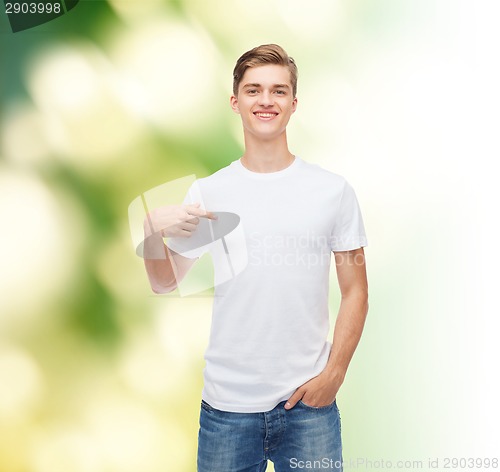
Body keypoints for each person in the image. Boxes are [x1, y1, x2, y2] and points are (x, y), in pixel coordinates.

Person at [142, 44, 368, 472]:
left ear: (294, 103)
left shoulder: (332, 191)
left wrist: (334, 374)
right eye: (254, 90)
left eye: (278, 91)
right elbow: (165, 281)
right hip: (227, 409)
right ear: (236, 101)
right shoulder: (210, 193)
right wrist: (152, 231)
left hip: (309, 408)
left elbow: (356, 290)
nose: (266, 101)